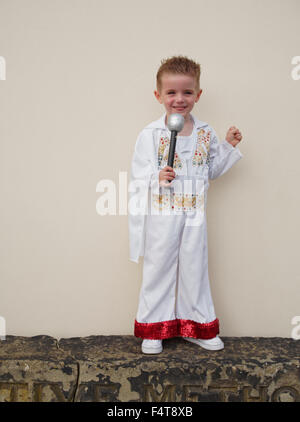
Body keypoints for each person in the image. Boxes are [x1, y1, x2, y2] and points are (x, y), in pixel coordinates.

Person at [128, 56, 243, 354]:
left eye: (187, 92)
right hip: (163, 214)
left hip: (194, 213)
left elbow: (210, 171)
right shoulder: (151, 134)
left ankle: (197, 325)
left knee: (195, 267)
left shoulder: (206, 132)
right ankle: (155, 327)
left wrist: (228, 146)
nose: (179, 99)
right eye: (171, 93)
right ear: (158, 96)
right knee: (159, 267)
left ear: (198, 94)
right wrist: (157, 176)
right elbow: (138, 175)